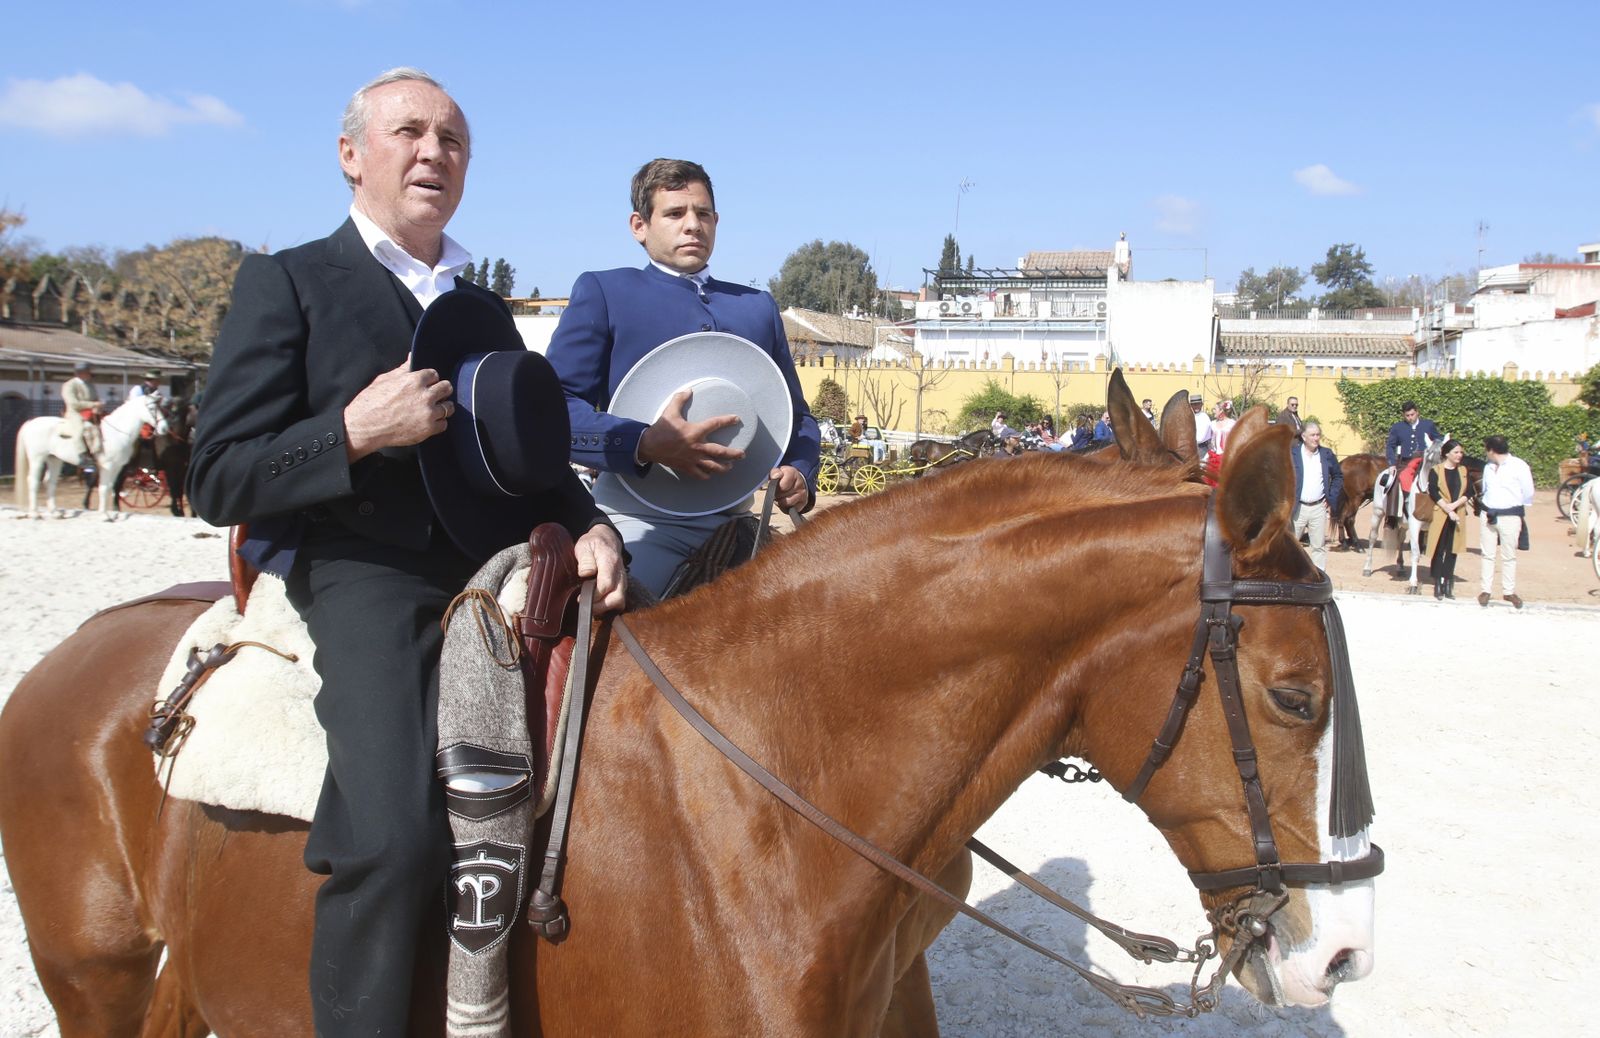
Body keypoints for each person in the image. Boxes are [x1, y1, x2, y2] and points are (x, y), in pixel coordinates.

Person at [186, 68, 625, 1037]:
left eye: (453, 139)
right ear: (351, 156)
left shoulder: (482, 306)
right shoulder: (290, 280)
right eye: (409, 132)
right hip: (362, 571)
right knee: (389, 839)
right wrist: (352, 431)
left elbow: (532, 460)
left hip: (494, 567)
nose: (434, 152)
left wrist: (588, 522)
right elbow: (214, 475)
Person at [545, 158, 818, 597]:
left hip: (739, 523)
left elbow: (797, 418)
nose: (693, 225)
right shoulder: (604, 292)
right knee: (620, 646)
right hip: (636, 522)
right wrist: (642, 442)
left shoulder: (757, 306)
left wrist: (801, 474)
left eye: (703, 214)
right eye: (675, 214)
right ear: (640, 225)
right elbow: (553, 408)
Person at [1476, 434, 1534, 608]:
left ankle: (1508, 591)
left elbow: (1528, 492)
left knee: (1509, 555)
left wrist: (1512, 506)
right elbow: (1485, 489)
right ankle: (1486, 589)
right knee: (1487, 553)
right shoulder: (1488, 467)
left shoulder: (1519, 466)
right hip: (1488, 513)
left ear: (1492, 450)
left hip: (1510, 515)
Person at [1289, 422, 1343, 571]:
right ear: (1304, 436)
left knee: (1318, 547)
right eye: (1312, 435)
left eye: (1318, 435)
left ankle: (1320, 578)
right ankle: (1292, 577)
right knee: (1291, 545)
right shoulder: (1292, 454)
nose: (1316, 438)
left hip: (1318, 507)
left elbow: (1338, 476)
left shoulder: (1327, 454)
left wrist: (1331, 497)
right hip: (1298, 507)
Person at [1427, 439, 1473, 599]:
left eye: (1461, 452)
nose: (1460, 455)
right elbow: (1432, 491)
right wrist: (1447, 509)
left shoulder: (1463, 471)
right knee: (1439, 550)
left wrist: (1454, 507)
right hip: (1441, 513)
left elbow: (1469, 492)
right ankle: (1438, 583)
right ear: (1447, 454)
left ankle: (1448, 582)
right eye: (1456, 452)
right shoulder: (1436, 470)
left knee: (1453, 551)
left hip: (1457, 514)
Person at [59, 360, 102, 464]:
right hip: (75, 413)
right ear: (80, 372)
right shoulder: (69, 385)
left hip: (91, 413)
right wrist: (93, 405)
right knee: (79, 430)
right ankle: (82, 455)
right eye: (87, 371)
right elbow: (73, 403)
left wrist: (98, 406)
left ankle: (96, 452)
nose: (89, 373)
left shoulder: (90, 384)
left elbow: (95, 399)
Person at [1190, 393, 1213, 465]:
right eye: (1194, 404)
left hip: (1202, 448)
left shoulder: (1204, 417)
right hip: (1191, 448)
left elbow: (1203, 436)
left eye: (1198, 404)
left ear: (1201, 404)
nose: (1196, 406)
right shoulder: (1189, 416)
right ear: (1191, 405)